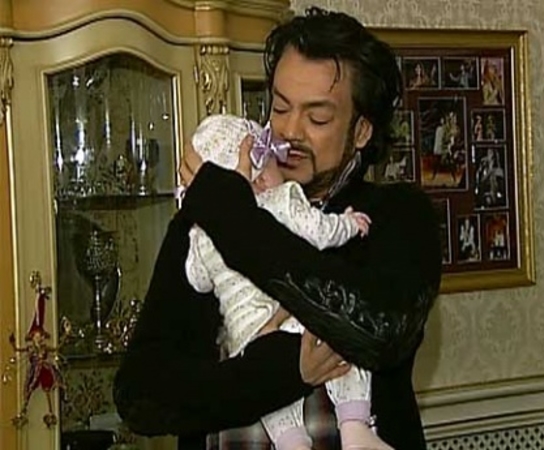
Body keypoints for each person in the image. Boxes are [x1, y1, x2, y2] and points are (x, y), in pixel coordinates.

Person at [114, 7, 442, 450]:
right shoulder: (208, 220)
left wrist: (238, 222)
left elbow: (381, 330)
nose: (288, 131)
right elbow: (140, 395)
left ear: (362, 130)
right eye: (280, 107)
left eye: (317, 118)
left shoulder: (396, 215)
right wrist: (281, 372)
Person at [185, 113, 389, 450]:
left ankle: (291, 442)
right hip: (292, 322)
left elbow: (197, 279)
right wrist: (349, 223)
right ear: (262, 176)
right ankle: (355, 426)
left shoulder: (201, 234)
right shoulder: (281, 200)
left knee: (270, 394)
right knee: (341, 346)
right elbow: (320, 231)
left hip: (244, 334)